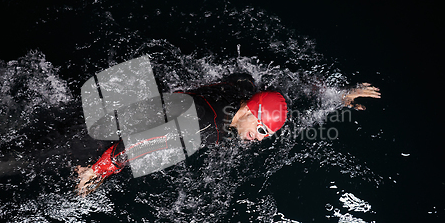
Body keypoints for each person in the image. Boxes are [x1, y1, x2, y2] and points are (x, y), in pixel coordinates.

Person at [75, 74, 380, 195]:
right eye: (261, 129)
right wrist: (96, 172)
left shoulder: (245, 88)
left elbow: (287, 82)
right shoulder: (204, 127)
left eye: (267, 134)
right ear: (248, 111)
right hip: (113, 131)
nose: (261, 138)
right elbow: (135, 144)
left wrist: (337, 95)